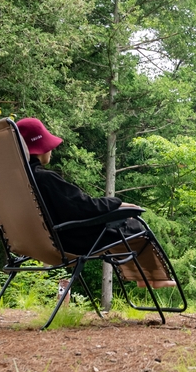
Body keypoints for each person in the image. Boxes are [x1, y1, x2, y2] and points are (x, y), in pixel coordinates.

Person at [16, 117, 176, 289]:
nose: (52, 151)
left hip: (33, 243)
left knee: (118, 229)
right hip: (67, 243)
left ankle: (144, 277)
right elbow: (83, 207)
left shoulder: (15, 181)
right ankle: (152, 277)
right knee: (133, 225)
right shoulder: (43, 178)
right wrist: (117, 204)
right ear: (41, 148)